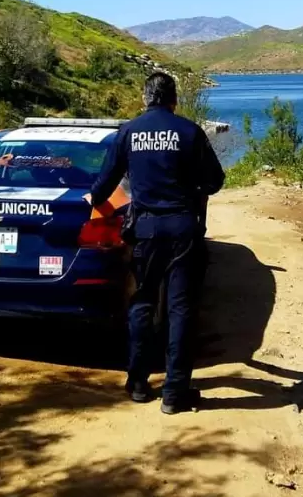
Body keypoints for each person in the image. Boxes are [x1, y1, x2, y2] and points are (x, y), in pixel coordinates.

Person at [89, 72, 225, 414]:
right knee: (180, 309)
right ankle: (174, 393)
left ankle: (137, 383)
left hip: (146, 231)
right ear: (173, 99)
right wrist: (192, 188)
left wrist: (90, 199)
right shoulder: (189, 131)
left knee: (142, 303)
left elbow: (103, 185)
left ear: (145, 97)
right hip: (182, 229)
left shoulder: (128, 132)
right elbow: (216, 180)